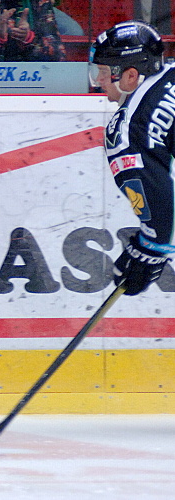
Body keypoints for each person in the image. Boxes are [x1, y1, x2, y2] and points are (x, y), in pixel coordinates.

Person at [90, 20, 175, 295]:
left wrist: (148, 252)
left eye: (103, 72)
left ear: (130, 76)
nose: (98, 81)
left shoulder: (127, 130)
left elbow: (159, 208)